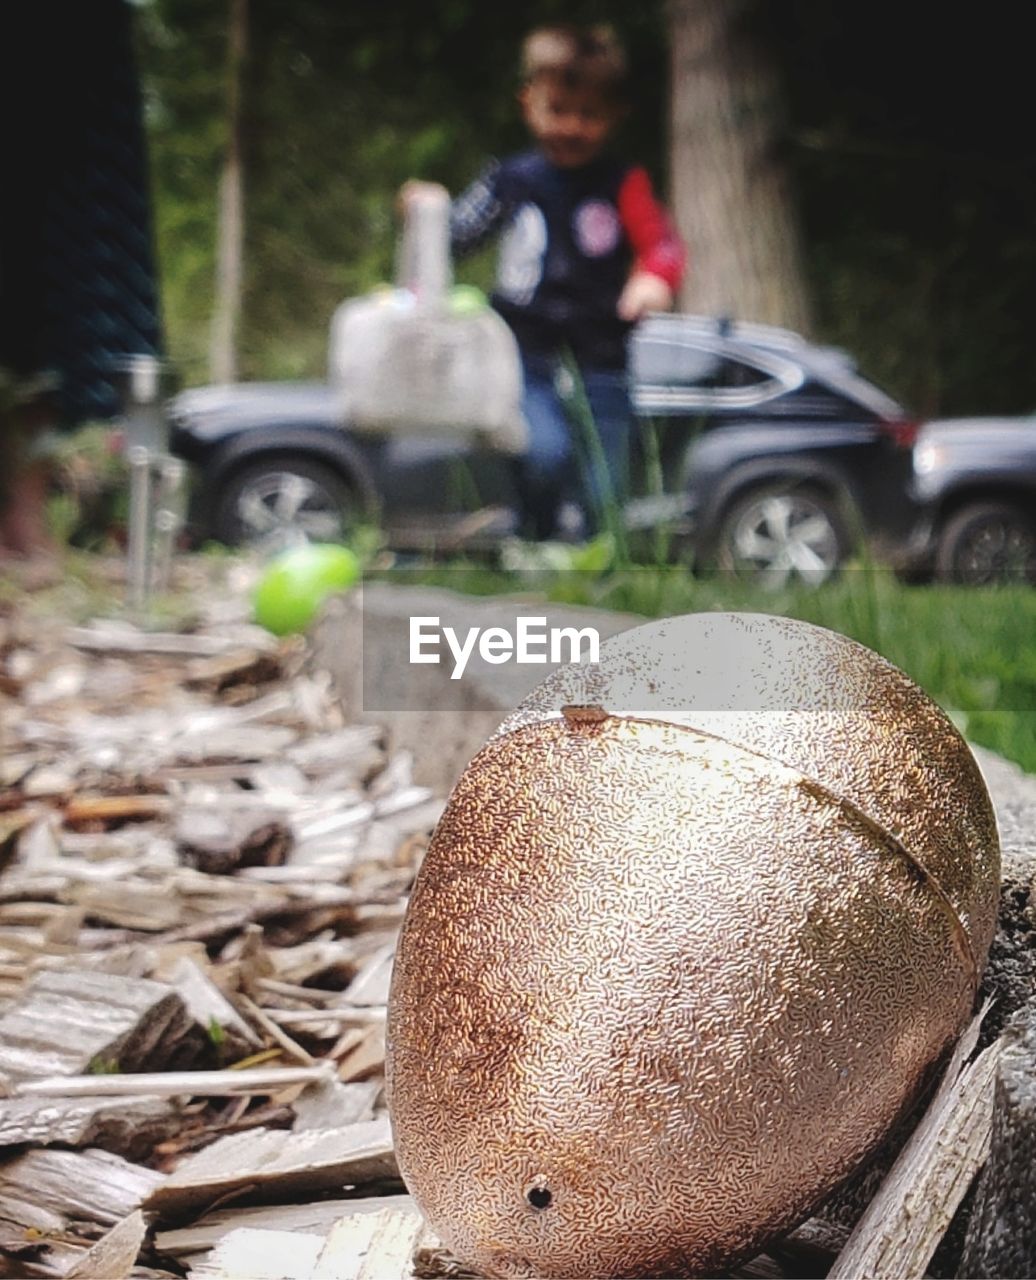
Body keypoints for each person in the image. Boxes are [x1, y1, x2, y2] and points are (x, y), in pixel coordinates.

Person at [403, 24, 686, 541]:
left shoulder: (624, 183)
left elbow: (661, 242)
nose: (572, 127)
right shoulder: (511, 180)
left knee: (606, 479)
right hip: (523, 352)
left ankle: (597, 560)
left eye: (590, 115)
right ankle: (534, 537)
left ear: (614, 116)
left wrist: (653, 278)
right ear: (528, 103)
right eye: (558, 110)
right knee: (542, 451)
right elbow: (455, 235)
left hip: (602, 353)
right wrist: (424, 211)